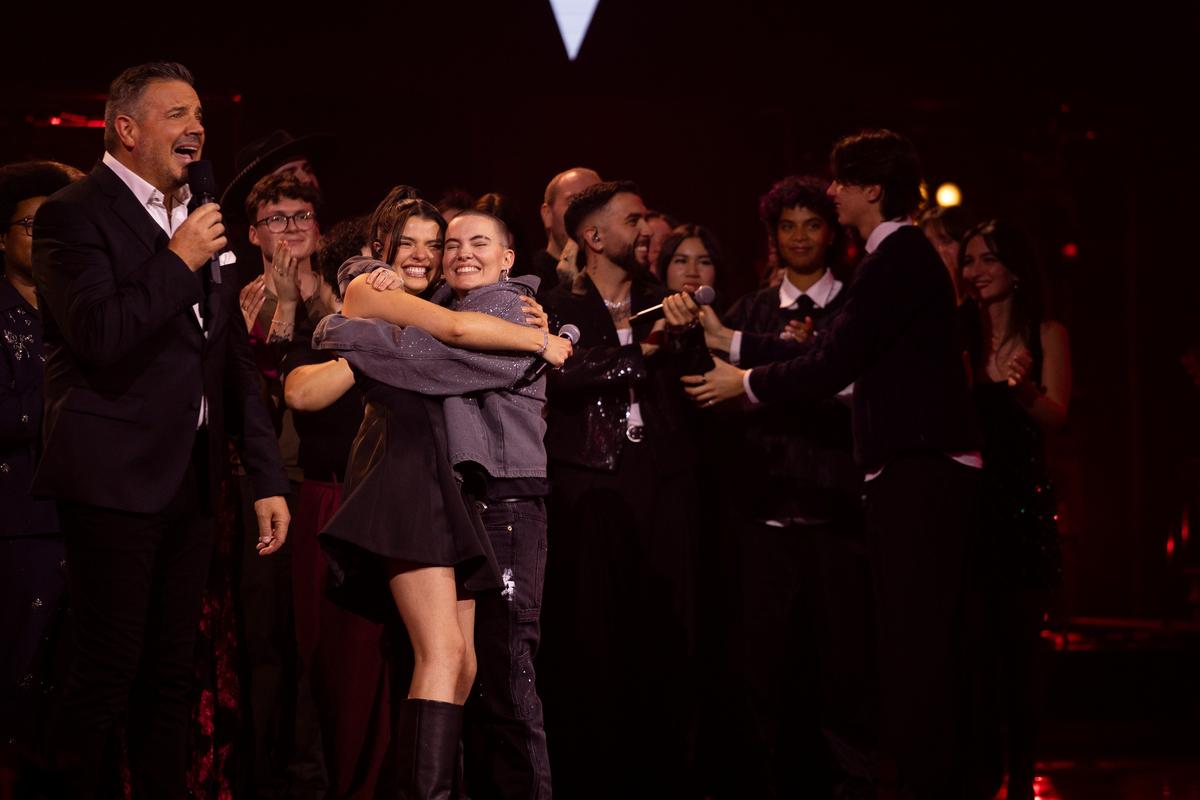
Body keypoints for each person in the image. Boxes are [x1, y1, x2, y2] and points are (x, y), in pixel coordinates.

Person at [670, 130, 981, 799]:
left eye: (841, 183)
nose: (832, 192)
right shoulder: (893, 258)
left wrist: (743, 383)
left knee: (913, 650)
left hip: (920, 472)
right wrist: (737, 339)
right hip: (908, 473)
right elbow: (838, 345)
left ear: (873, 189)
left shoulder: (897, 257)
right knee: (907, 648)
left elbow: (838, 358)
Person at [31, 61, 290, 800]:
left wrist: (265, 476)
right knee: (106, 671)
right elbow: (99, 333)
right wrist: (179, 260)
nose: (197, 127)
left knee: (171, 673)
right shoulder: (73, 214)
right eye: (177, 113)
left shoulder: (198, 216)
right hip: (113, 475)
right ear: (127, 128)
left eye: (200, 112)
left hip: (193, 477)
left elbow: (232, 356)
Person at [314, 197, 569, 798]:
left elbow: (430, 359)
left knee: (498, 675)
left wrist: (340, 330)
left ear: (509, 258)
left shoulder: (509, 308)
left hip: (505, 501)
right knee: (463, 667)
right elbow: (437, 341)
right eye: (444, 243)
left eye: (472, 243)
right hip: (452, 497)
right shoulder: (436, 305)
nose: (451, 254)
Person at [690, 175, 873, 796]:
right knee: (761, 667)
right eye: (787, 226)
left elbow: (851, 387)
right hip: (764, 509)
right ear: (774, 236)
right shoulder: (749, 309)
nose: (800, 237)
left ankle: (850, 784)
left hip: (837, 513)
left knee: (843, 665)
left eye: (812, 224)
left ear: (833, 233)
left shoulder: (854, 304)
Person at [538, 180, 702, 798]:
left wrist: (684, 337)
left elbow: (698, 389)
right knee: (589, 639)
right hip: (586, 485)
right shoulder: (556, 307)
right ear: (594, 237)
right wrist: (643, 351)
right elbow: (561, 377)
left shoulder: (668, 302)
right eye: (634, 221)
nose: (648, 231)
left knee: (664, 635)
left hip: (663, 484)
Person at [959, 219, 1070, 800]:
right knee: (974, 654)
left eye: (987, 259)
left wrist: (1023, 390)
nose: (975, 269)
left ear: (1016, 269)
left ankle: (1023, 778)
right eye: (969, 259)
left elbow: (1058, 417)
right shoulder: (961, 333)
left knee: (1022, 655)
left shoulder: (1045, 331)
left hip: (1022, 509)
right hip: (969, 508)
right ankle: (980, 775)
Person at [0, 160, 82, 793]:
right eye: (32, 225)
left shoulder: (82, 306)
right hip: (18, 518)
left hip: (88, 516)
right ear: (3, 238)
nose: (45, 236)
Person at [517, 167, 600, 295]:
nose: (587, 212)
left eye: (597, 203)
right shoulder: (527, 278)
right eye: (574, 201)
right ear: (547, 214)